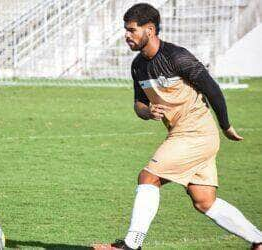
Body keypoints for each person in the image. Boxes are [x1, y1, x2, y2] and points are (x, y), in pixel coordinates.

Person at [94, 3, 261, 250]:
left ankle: (131, 245)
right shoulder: (138, 65)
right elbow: (139, 104)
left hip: (195, 133)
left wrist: (225, 126)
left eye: (132, 30)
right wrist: (147, 111)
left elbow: (212, 89)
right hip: (185, 135)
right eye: (126, 30)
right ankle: (259, 240)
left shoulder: (177, 57)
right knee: (205, 201)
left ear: (149, 30)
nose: (126, 35)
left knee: (148, 177)